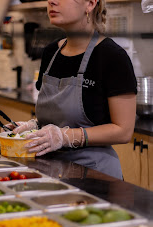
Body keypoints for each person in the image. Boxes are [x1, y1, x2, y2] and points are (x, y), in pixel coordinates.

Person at [8, 0, 137, 179]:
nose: (51, 1)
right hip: (50, 169)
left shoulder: (112, 57)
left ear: (90, 4)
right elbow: (59, 116)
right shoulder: (51, 53)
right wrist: (34, 126)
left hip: (94, 175)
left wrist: (65, 137)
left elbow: (123, 131)